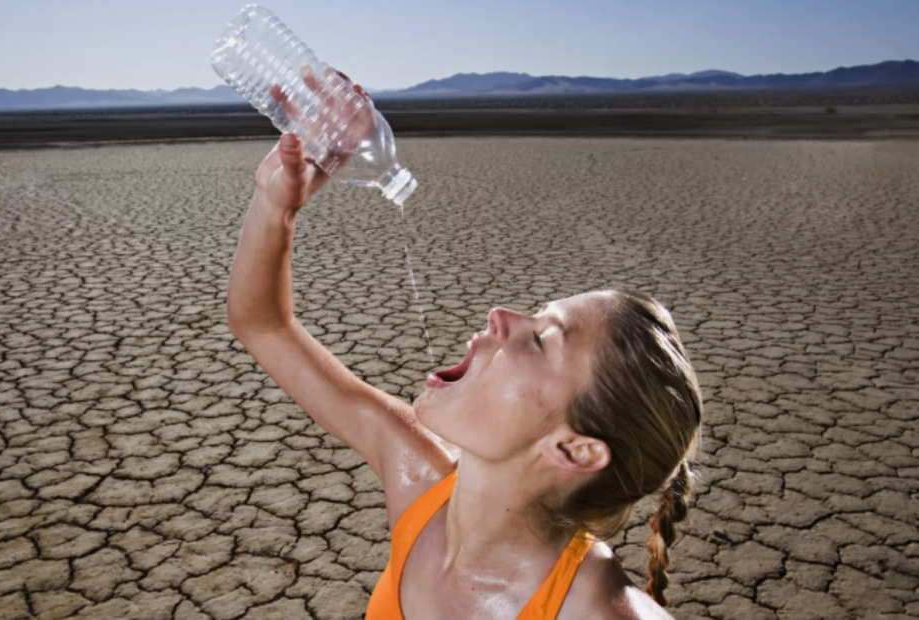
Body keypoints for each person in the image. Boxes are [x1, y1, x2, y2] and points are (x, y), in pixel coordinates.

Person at [227, 72, 703, 620]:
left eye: (543, 340)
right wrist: (275, 203)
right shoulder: (419, 477)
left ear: (573, 449)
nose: (500, 316)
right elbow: (263, 325)